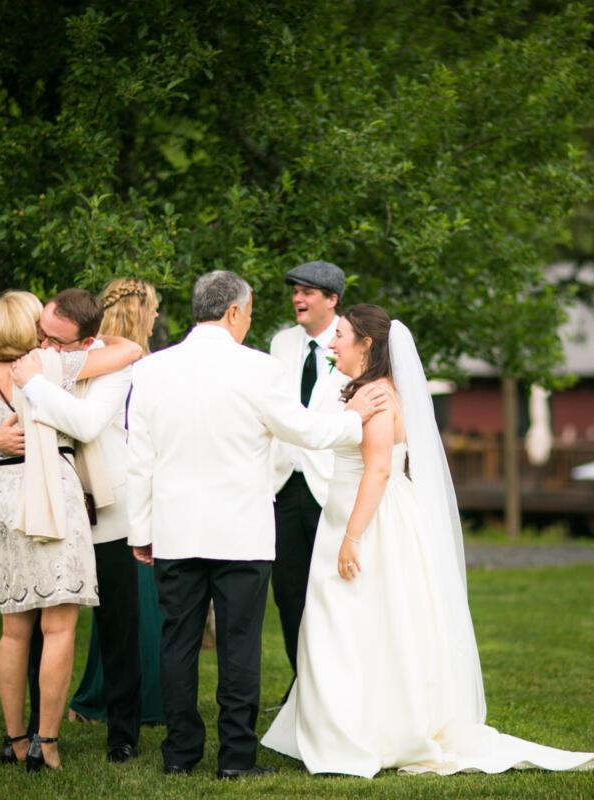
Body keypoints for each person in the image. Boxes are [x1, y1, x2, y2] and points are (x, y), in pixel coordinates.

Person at [260, 305, 594, 778]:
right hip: (354, 512)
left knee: (347, 620)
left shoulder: (378, 396)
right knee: (351, 623)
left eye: (341, 335)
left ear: (366, 344)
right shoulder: (366, 392)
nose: (334, 343)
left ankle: (362, 732)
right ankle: (340, 725)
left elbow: (379, 470)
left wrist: (352, 538)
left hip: (368, 521)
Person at [126, 270, 387, 779]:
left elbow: (139, 457)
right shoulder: (261, 370)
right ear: (233, 313)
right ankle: (236, 759)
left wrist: (141, 531)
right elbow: (306, 431)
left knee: (176, 644)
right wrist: (355, 415)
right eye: (246, 313)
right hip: (242, 533)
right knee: (240, 645)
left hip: (175, 530)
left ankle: (180, 754)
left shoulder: (152, 370)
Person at [0, 289, 142, 771]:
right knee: (59, 626)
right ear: (30, 328)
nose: (47, 341)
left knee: (13, 630)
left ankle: (14, 739)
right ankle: (46, 743)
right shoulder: (51, 366)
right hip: (55, 496)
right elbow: (130, 348)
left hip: (10, 497)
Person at [269, 261, 350, 691]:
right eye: (295, 291)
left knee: (334, 591)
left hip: (333, 485)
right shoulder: (281, 344)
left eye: (308, 292)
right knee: (288, 593)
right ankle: (303, 688)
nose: (298, 299)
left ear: (333, 299)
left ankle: (337, 686)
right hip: (283, 485)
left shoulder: (354, 340)